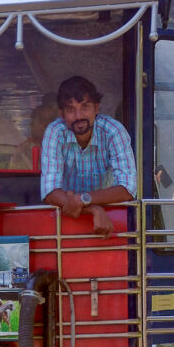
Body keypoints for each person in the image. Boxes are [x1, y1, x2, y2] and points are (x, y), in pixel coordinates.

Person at [40, 75, 136, 237]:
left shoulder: (113, 131)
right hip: (65, 225)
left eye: (85, 107)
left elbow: (128, 188)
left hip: (112, 223)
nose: (78, 116)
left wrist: (82, 199)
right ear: (62, 114)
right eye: (71, 109)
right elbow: (49, 192)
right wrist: (93, 208)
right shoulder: (55, 132)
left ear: (96, 108)